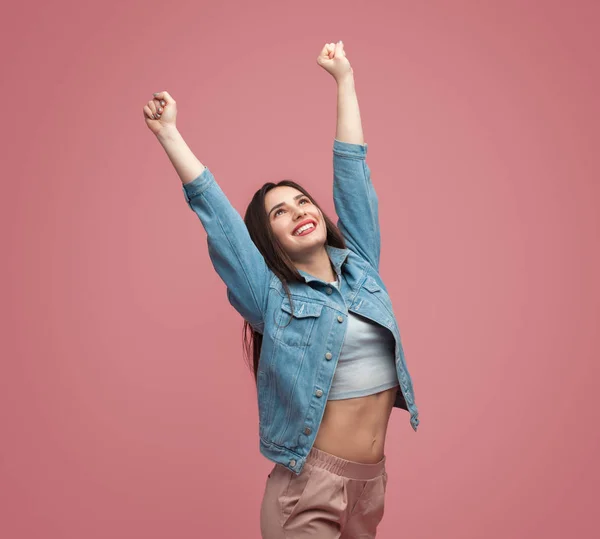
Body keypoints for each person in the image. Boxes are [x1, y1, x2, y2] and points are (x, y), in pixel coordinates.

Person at [143, 41, 419, 539]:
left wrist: (344, 80)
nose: (299, 211)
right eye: (280, 212)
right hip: (308, 489)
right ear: (268, 240)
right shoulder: (270, 299)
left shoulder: (362, 270)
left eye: (301, 201)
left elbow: (353, 173)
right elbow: (221, 222)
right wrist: (169, 135)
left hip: (369, 488)